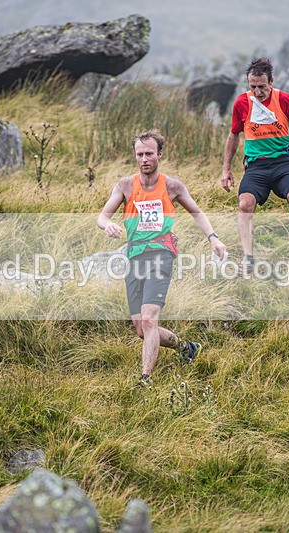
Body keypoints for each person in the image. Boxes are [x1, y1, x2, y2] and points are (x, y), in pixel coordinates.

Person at [97, 129, 226, 386]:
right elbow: (102, 216)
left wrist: (213, 237)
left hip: (161, 254)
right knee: (141, 329)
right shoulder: (125, 185)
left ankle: (145, 379)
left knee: (149, 319)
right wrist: (107, 225)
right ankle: (187, 348)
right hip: (134, 256)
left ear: (159, 155)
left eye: (149, 153)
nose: (144, 158)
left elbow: (198, 213)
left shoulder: (172, 186)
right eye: (139, 154)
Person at [221, 57, 289, 270]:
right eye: (253, 87)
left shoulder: (284, 100)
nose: (257, 92)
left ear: (271, 82)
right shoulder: (241, 103)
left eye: (262, 87)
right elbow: (233, 135)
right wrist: (226, 169)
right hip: (256, 166)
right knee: (244, 205)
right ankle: (249, 259)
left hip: (283, 163)